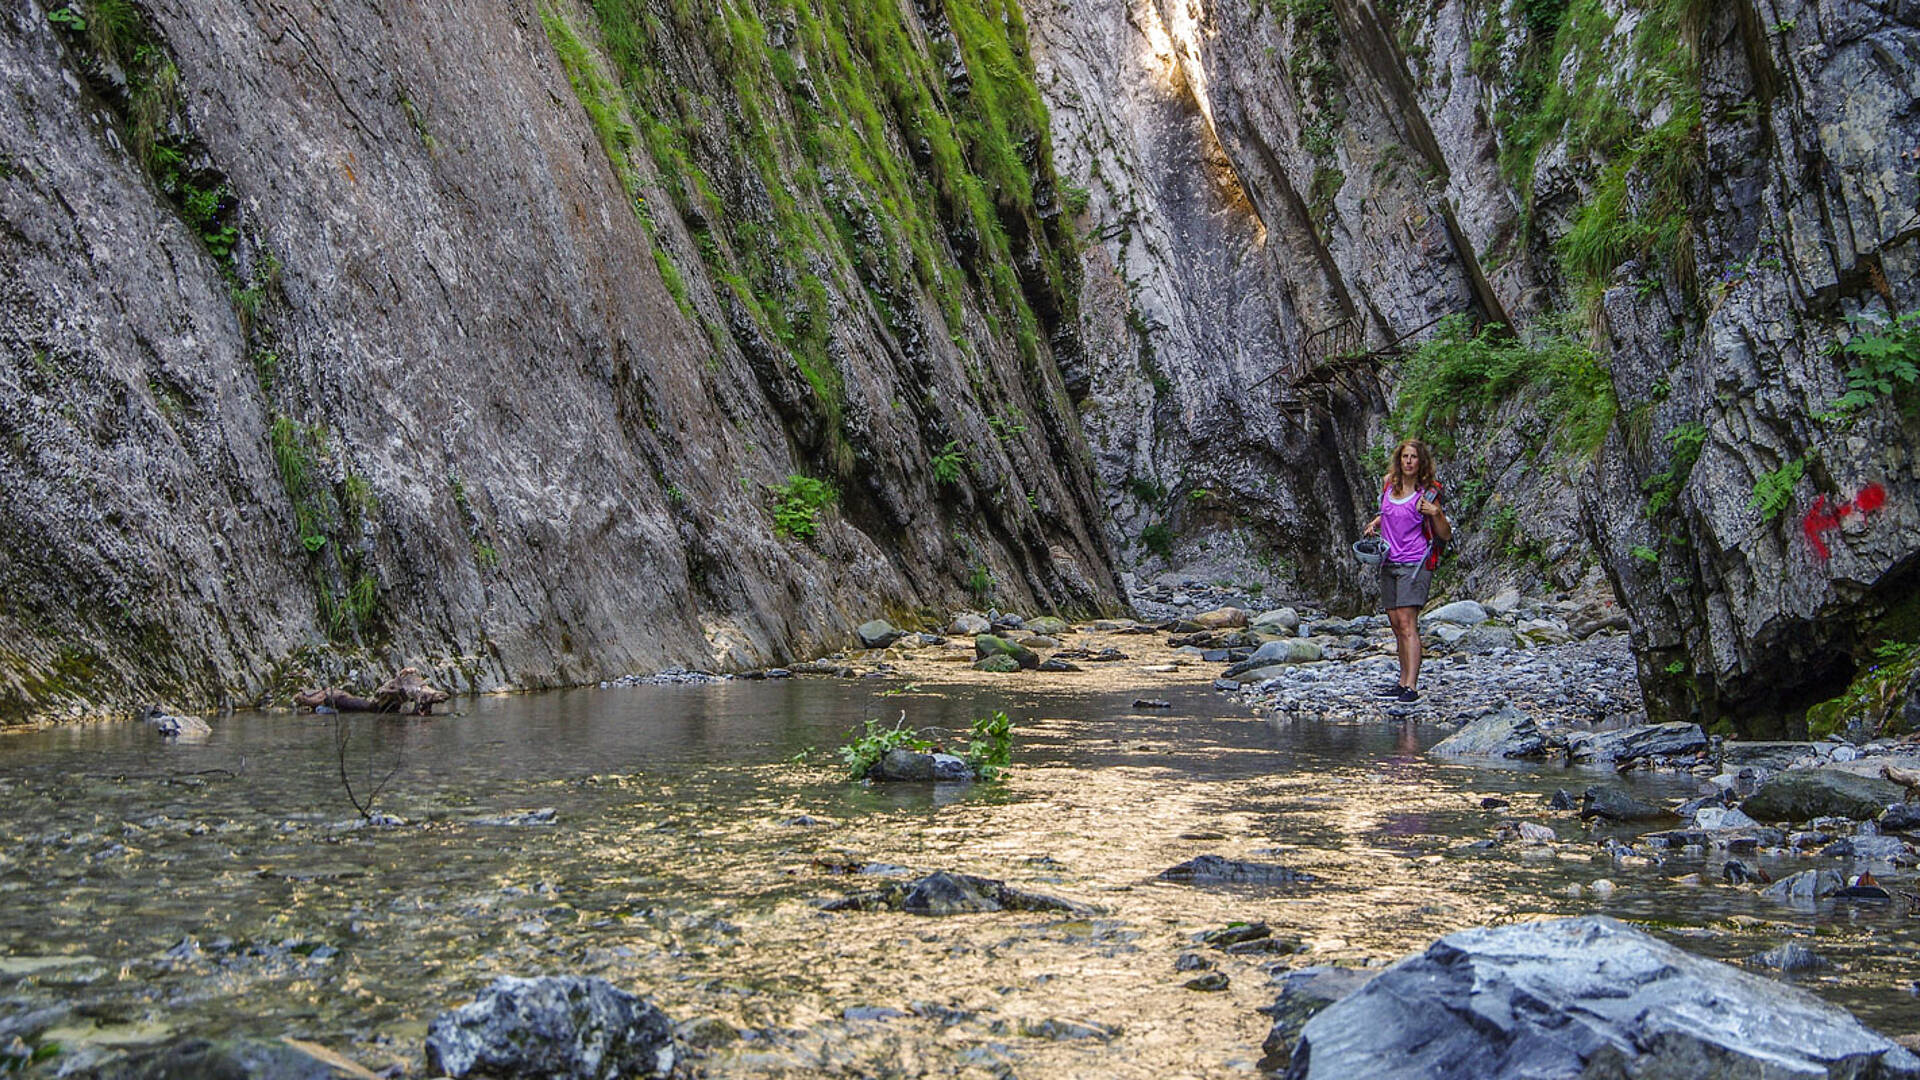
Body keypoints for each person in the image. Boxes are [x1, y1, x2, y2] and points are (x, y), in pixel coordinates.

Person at [1361, 439, 1450, 703]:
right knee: (1396, 625)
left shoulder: (1428, 494)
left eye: (1413, 457)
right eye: (1405, 457)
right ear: (1399, 461)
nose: (1409, 461)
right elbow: (1391, 512)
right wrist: (1376, 522)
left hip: (1415, 564)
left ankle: (1411, 686)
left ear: (1420, 462)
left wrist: (1436, 513)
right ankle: (1401, 681)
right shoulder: (1389, 484)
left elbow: (1445, 534)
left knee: (1408, 623)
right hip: (1389, 561)